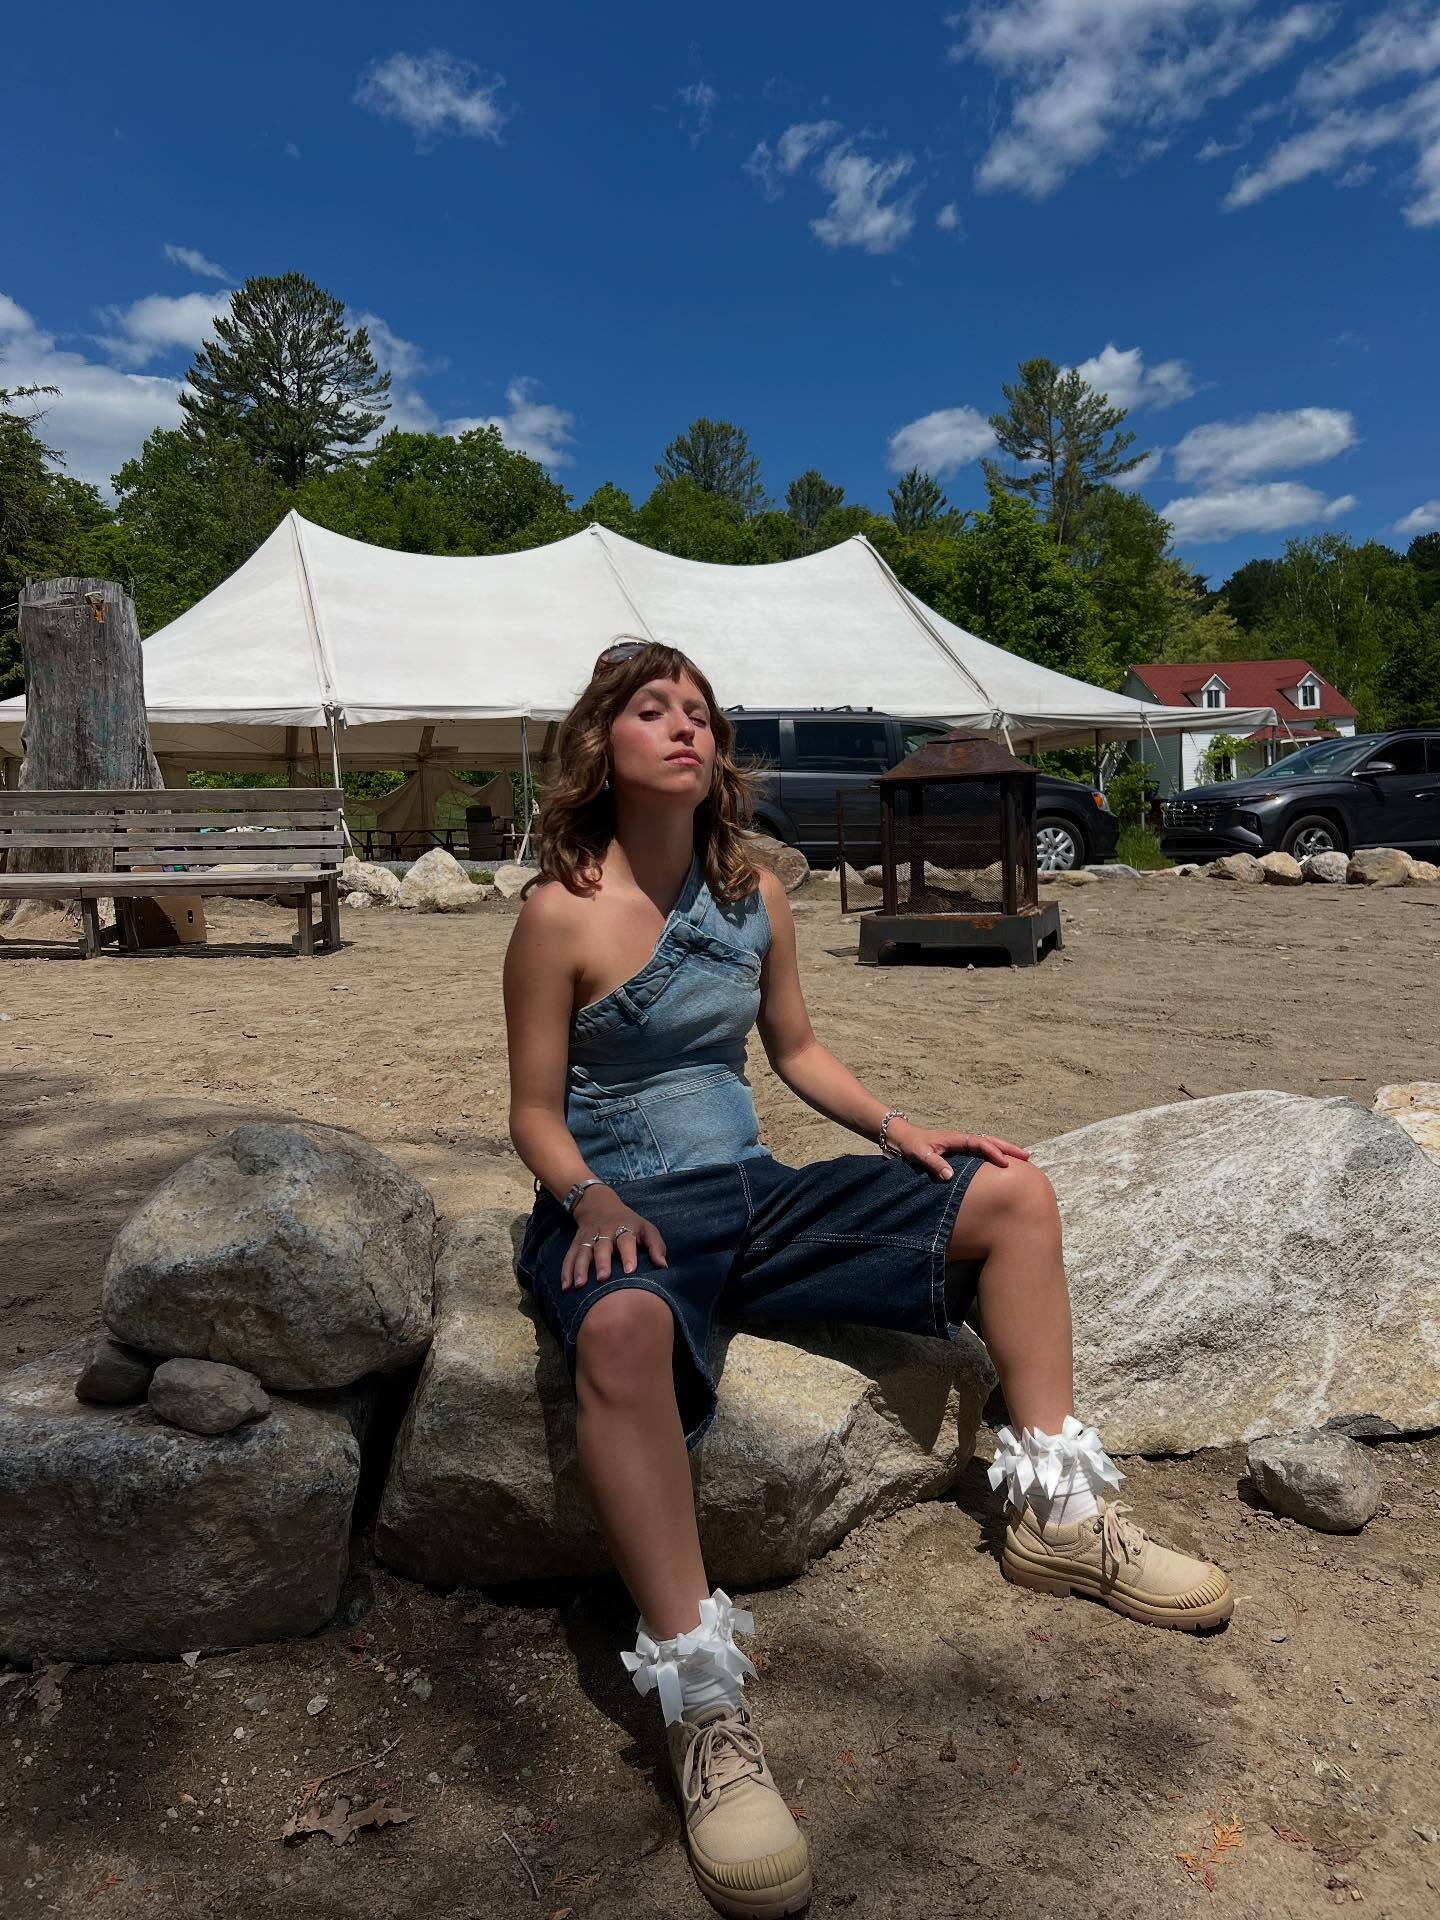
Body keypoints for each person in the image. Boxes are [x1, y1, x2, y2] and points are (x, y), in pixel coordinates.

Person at [503, 639, 1232, 1920]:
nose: (683, 728)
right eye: (650, 710)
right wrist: (590, 1200)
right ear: (598, 744)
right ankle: (705, 1705)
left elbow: (795, 1047)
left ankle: (1057, 1518)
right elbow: (532, 1113)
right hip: (624, 1207)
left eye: (699, 713)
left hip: (758, 1199)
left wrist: (901, 1131)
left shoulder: (755, 895)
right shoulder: (557, 908)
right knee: (620, 1332)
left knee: (1011, 1191)